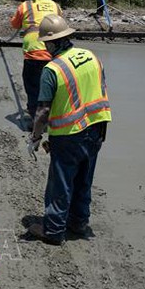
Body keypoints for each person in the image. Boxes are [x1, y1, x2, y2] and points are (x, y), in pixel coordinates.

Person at [26, 14, 111, 245]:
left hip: (69, 135)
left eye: (45, 43)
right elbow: (99, 90)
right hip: (97, 128)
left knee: (60, 184)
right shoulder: (91, 56)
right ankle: (79, 222)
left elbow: (42, 111)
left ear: (52, 42)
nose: (45, 47)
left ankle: (53, 231)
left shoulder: (52, 70)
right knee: (84, 178)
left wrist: (35, 137)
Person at [10, 0, 62, 125]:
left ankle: (35, 118)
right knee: (51, 87)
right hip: (52, 53)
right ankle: (51, 117)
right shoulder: (56, 7)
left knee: (33, 87)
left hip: (33, 53)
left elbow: (14, 24)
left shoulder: (26, 5)